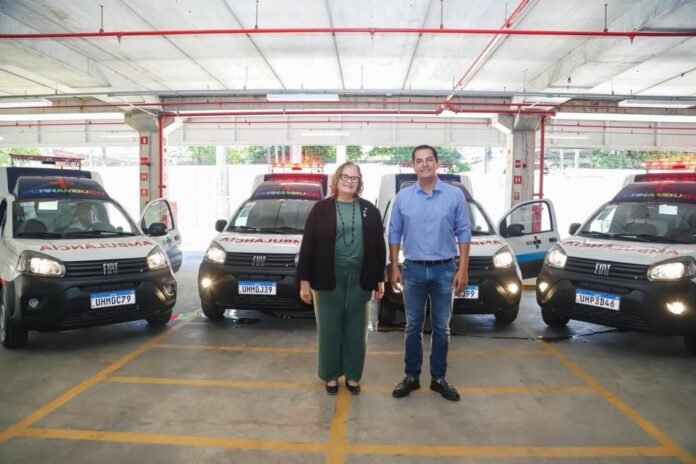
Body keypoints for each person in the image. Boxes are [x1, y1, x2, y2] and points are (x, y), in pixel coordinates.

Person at [389, 145, 471, 402]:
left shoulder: (454, 195)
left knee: (441, 328)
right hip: (412, 269)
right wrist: (394, 266)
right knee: (412, 326)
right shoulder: (403, 197)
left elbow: (464, 231)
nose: (424, 164)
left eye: (429, 160)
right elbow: (394, 232)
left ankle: (438, 378)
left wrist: (463, 269)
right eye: (419, 160)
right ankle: (411, 376)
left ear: (437, 163)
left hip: (444, 270)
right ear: (413, 166)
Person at [297, 162, 386, 395]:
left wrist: (380, 279)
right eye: (345, 177)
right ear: (337, 179)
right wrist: (304, 281)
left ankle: (353, 375)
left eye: (354, 178)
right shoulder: (321, 209)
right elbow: (308, 245)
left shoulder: (369, 210)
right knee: (329, 329)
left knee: (356, 331)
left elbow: (378, 247)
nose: (349, 181)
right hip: (327, 278)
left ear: (359, 183)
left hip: (360, 279)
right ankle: (330, 375)